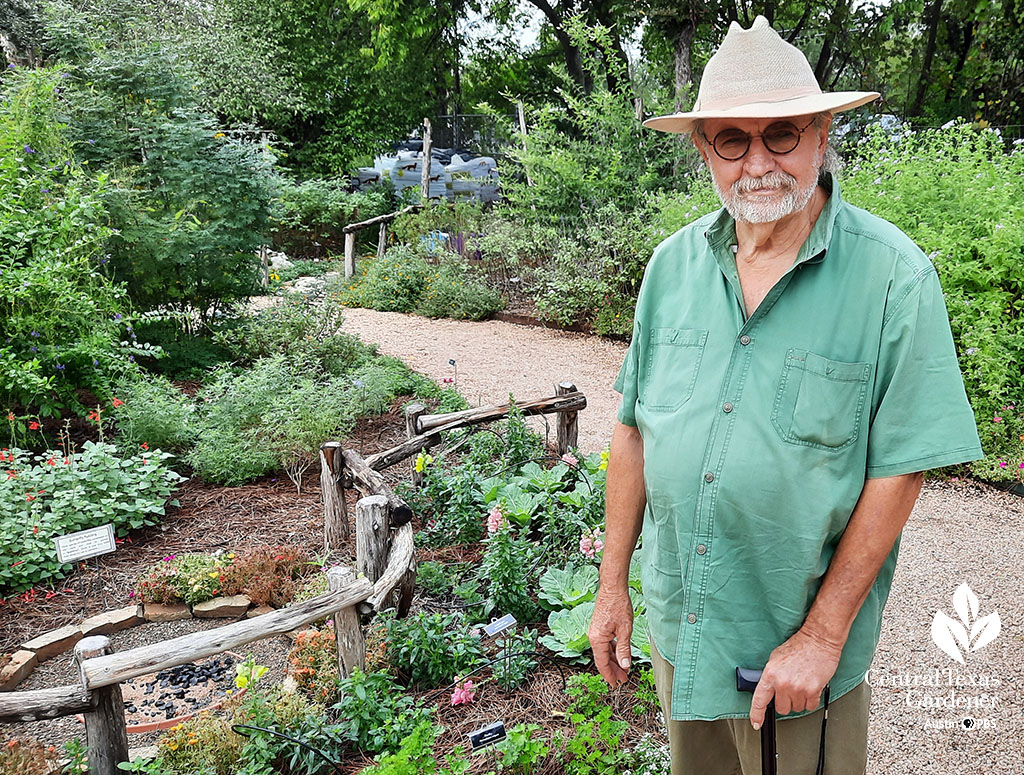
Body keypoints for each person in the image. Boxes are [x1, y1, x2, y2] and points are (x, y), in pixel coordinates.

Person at [587, 16, 983, 775]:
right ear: (704, 149)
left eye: (783, 134)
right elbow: (633, 429)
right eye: (732, 139)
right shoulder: (670, 269)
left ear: (823, 130)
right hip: (685, 632)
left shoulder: (894, 279)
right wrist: (612, 588)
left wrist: (824, 635)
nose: (758, 161)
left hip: (793, 663)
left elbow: (899, 468)